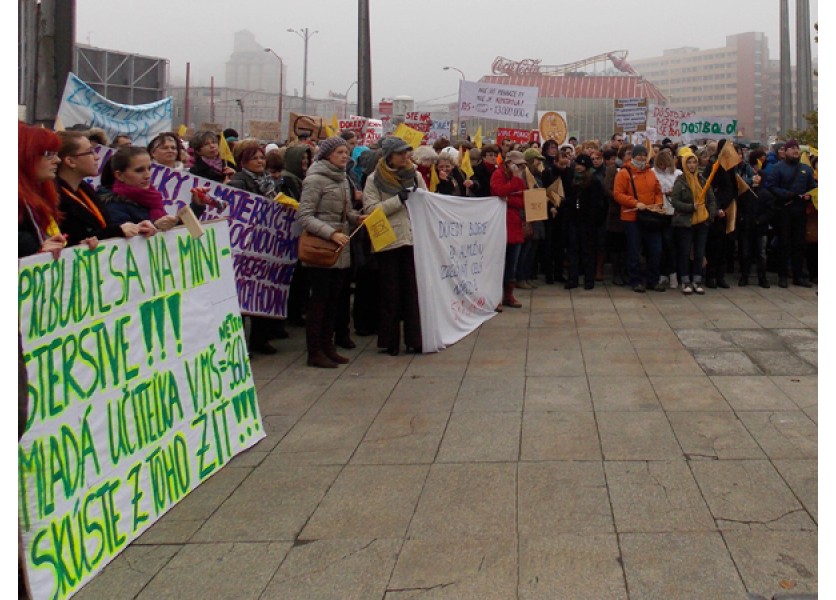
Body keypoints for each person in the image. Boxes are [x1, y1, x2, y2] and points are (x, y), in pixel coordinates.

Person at [297, 137, 366, 368]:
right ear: (327, 155)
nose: (345, 156)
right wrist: (330, 233)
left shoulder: (342, 179)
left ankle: (329, 346)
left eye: (346, 152)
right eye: (339, 152)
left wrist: (357, 218)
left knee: (334, 302)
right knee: (319, 302)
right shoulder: (315, 180)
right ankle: (314, 351)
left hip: (340, 249)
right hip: (321, 249)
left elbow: (343, 213)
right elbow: (305, 216)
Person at [363, 136, 427, 355]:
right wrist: (397, 200)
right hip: (388, 241)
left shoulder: (415, 175)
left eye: (406, 153)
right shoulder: (374, 179)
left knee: (412, 292)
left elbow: (426, 201)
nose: (405, 157)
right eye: (400, 153)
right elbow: (371, 210)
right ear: (389, 155)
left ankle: (415, 339)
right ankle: (389, 341)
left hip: (411, 238)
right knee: (390, 293)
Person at [56, 131, 155, 246]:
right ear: (70, 161)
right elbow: (74, 238)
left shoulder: (85, 189)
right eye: (90, 152)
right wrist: (117, 230)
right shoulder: (55, 196)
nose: (97, 157)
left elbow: (101, 228)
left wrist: (137, 227)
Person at [100, 146, 206, 231]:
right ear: (119, 175)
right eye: (139, 170)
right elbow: (123, 243)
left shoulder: (152, 198)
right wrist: (154, 226)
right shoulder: (113, 206)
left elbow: (172, 232)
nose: (147, 175)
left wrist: (197, 205)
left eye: (149, 168)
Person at [613, 144, 666, 293]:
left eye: (644, 155)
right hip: (632, 217)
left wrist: (658, 204)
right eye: (639, 155)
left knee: (656, 250)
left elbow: (658, 190)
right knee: (634, 251)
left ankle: (652, 280)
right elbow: (618, 194)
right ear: (633, 156)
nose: (642, 157)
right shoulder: (624, 173)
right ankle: (635, 281)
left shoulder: (650, 172)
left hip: (650, 216)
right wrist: (635, 203)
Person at [766, 139, 817, 287]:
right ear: (786, 151)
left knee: (799, 244)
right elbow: (772, 186)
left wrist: (809, 195)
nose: (795, 151)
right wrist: (787, 194)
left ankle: (798, 276)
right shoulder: (778, 168)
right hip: (784, 210)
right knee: (784, 243)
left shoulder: (806, 170)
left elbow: (812, 188)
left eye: (797, 148)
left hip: (800, 211)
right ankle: (782, 276)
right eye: (792, 148)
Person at [18, 122, 68, 257]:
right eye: (48, 154)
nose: (58, 160)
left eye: (56, 154)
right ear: (26, 156)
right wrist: (36, 248)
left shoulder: (42, 193)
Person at [670, 149, 716, 294]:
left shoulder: (702, 180)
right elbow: (675, 201)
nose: (691, 165)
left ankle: (697, 280)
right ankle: (685, 281)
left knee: (699, 252)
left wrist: (709, 216)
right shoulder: (681, 181)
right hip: (685, 222)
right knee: (684, 252)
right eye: (689, 162)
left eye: (694, 162)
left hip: (701, 222)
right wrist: (690, 207)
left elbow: (711, 199)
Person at [563, 154, 608, 289]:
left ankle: (589, 279)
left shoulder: (593, 181)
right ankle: (573, 278)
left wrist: (594, 219)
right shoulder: (570, 179)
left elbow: (599, 203)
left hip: (588, 221)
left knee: (587, 251)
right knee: (573, 250)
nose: (579, 167)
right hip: (573, 220)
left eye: (582, 165)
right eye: (577, 164)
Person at [491, 150, 528, 307]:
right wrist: (513, 182)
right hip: (500, 224)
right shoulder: (498, 174)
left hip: (515, 225)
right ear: (509, 163)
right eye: (518, 165)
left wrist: (509, 198)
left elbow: (524, 200)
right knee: (498, 264)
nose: (520, 168)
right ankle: (496, 297)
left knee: (512, 264)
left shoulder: (519, 178)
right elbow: (498, 192)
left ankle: (509, 295)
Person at [737, 169, 775, 288]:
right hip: (747, 227)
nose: (756, 177)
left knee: (761, 254)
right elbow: (740, 207)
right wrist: (742, 218)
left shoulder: (766, 194)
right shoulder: (746, 192)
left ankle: (762, 278)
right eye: (755, 175)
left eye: (759, 175)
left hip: (760, 229)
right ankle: (744, 276)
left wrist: (759, 221)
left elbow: (770, 212)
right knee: (745, 253)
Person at [652, 149, 682, 289]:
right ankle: (662, 274)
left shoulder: (677, 174)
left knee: (670, 245)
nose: (663, 167)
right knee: (660, 246)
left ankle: (673, 274)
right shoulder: (652, 173)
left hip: (673, 214)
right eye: (660, 164)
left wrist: (672, 191)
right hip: (658, 213)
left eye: (665, 164)